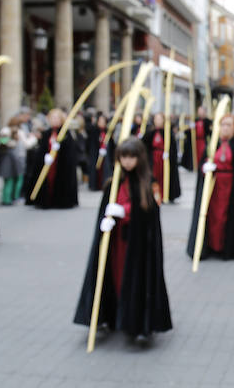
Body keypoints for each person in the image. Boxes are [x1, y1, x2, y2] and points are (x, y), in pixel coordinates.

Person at [74, 137, 172, 341]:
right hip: (116, 241)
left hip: (137, 244)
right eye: (123, 157)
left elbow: (151, 213)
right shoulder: (113, 183)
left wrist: (125, 211)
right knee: (114, 277)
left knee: (135, 279)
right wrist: (104, 222)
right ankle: (113, 315)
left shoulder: (148, 183)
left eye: (131, 157)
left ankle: (134, 319)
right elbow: (105, 210)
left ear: (139, 158)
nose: (127, 161)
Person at [187, 114, 234, 261]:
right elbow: (203, 164)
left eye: (229, 125)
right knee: (214, 219)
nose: (225, 128)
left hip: (233, 190)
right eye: (222, 125)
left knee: (227, 218)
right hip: (214, 191)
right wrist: (205, 168)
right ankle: (213, 247)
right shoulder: (212, 146)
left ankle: (228, 248)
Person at [30, 108, 79, 209]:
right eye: (52, 118)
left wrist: (60, 148)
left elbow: (70, 153)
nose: (54, 120)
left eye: (57, 118)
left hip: (60, 165)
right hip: (48, 163)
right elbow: (41, 149)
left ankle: (60, 201)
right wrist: (45, 156)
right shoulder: (47, 133)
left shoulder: (66, 133)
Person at [143, 113, 181, 203]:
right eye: (156, 119)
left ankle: (165, 194)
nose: (158, 121)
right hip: (154, 158)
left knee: (165, 176)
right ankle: (154, 195)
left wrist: (168, 153)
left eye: (160, 119)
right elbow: (145, 146)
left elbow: (173, 146)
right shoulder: (150, 132)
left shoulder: (167, 132)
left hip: (164, 159)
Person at [181, 106, 212, 172]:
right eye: (199, 111)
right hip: (195, 141)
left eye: (201, 111)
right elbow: (188, 132)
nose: (200, 113)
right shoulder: (195, 120)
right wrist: (190, 128)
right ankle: (194, 166)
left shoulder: (208, 121)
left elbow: (209, 132)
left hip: (203, 141)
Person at [85, 112, 111, 191]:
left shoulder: (108, 132)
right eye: (100, 121)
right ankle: (94, 185)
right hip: (95, 154)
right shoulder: (94, 131)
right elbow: (90, 143)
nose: (102, 123)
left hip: (105, 155)